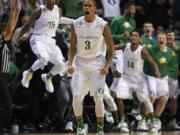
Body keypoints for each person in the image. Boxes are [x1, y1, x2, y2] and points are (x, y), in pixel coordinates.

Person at [67, 0, 115, 134]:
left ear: (95, 9)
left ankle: (100, 128)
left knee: (98, 97)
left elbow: (111, 49)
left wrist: (107, 65)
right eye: (84, 5)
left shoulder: (102, 25)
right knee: (76, 97)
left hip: (97, 64)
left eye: (89, 5)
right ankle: (81, 126)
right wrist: (70, 63)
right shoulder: (76, 24)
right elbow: (72, 47)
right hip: (80, 64)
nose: (86, 7)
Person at [18, 0, 74, 93]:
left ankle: (48, 77)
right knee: (44, 58)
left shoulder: (58, 10)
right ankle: (28, 73)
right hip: (38, 39)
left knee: (61, 65)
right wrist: (19, 37)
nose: (51, 1)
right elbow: (27, 24)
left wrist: (73, 21)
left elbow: (58, 20)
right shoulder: (39, 11)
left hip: (50, 41)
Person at [114, 31, 160, 133]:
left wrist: (157, 71)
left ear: (139, 38)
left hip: (138, 79)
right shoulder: (125, 46)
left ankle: (153, 122)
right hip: (126, 78)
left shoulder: (142, 50)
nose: (133, 37)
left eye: (136, 35)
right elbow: (113, 48)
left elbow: (152, 62)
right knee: (118, 97)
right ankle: (122, 121)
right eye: (132, 35)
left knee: (146, 101)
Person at [144, 32, 174, 132]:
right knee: (152, 97)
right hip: (151, 76)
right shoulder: (151, 49)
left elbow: (169, 65)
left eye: (163, 38)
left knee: (164, 98)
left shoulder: (170, 52)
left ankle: (155, 120)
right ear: (157, 40)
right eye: (159, 38)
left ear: (166, 40)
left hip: (163, 77)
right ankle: (145, 119)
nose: (161, 39)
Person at [0, 0, 21, 133]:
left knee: (6, 106)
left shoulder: (4, 42)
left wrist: (16, 11)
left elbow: (10, 28)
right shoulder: (1, 40)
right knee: (8, 107)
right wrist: (14, 12)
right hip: (0, 76)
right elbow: (9, 29)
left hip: (3, 76)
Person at [167, 31, 180, 130]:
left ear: (174, 36)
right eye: (169, 35)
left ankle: (173, 120)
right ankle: (153, 120)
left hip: (174, 76)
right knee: (157, 98)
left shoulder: (178, 47)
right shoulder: (162, 46)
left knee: (173, 99)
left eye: (172, 35)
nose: (170, 36)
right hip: (162, 76)